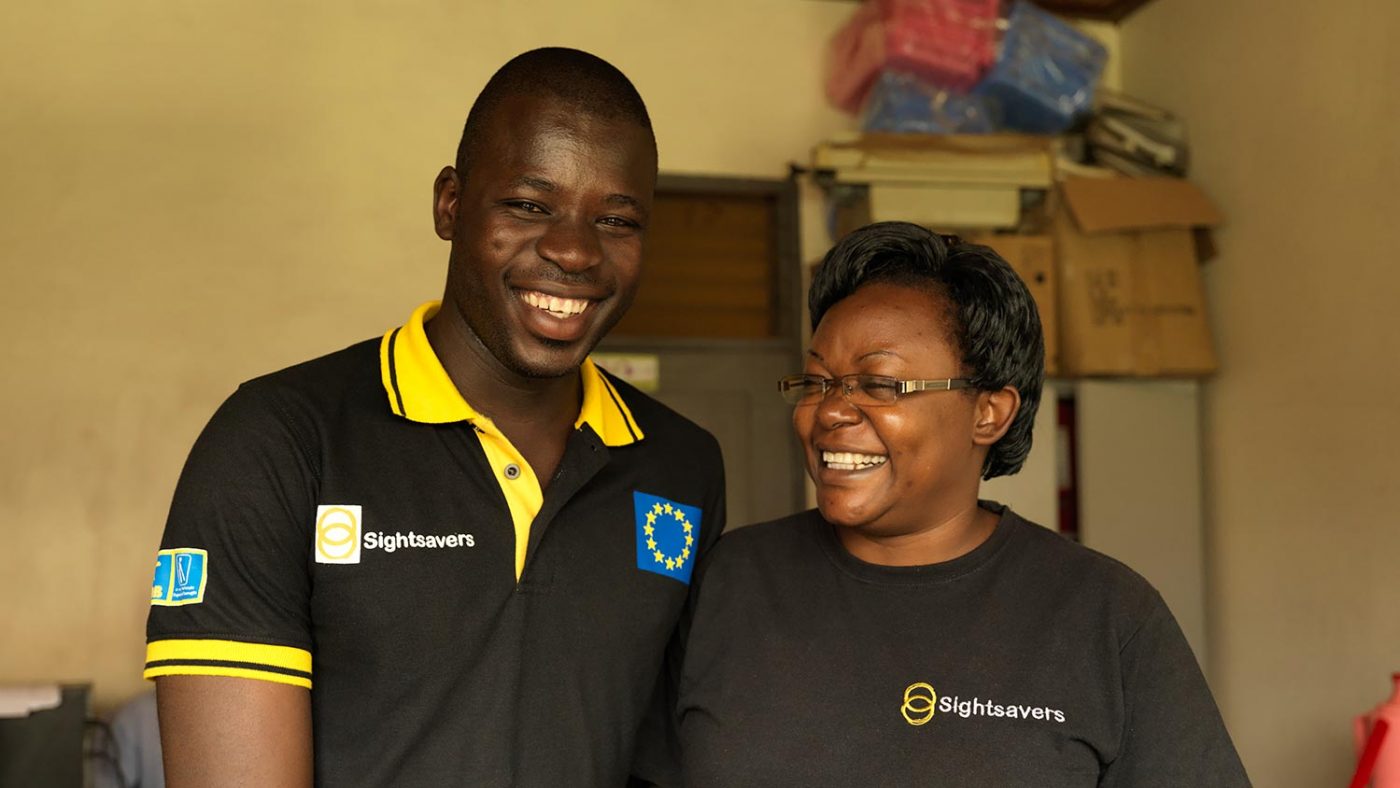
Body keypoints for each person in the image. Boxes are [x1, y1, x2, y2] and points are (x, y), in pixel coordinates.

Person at [144, 47, 726, 787]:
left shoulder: (682, 466)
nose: (575, 251)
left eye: (615, 219)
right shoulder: (279, 441)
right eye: (529, 205)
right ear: (450, 204)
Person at [676, 222, 1248, 786]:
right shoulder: (729, 580)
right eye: (818, 382)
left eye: (879, 384)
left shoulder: (1104, 614)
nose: (829, 411)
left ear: (988, 414)